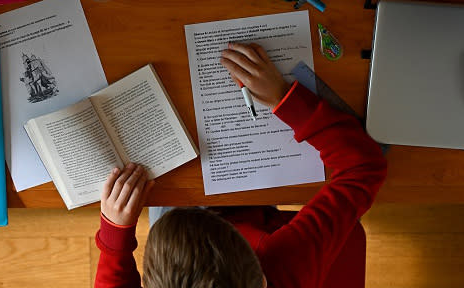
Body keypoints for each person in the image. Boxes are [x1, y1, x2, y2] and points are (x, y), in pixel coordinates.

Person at [94, 42, 387, 288]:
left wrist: (115, 237)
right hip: (263, 230)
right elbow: (364, 167)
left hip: (210, 235)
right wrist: (283, 99)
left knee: (163, 193)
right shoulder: (283, 266)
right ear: (261, 280)